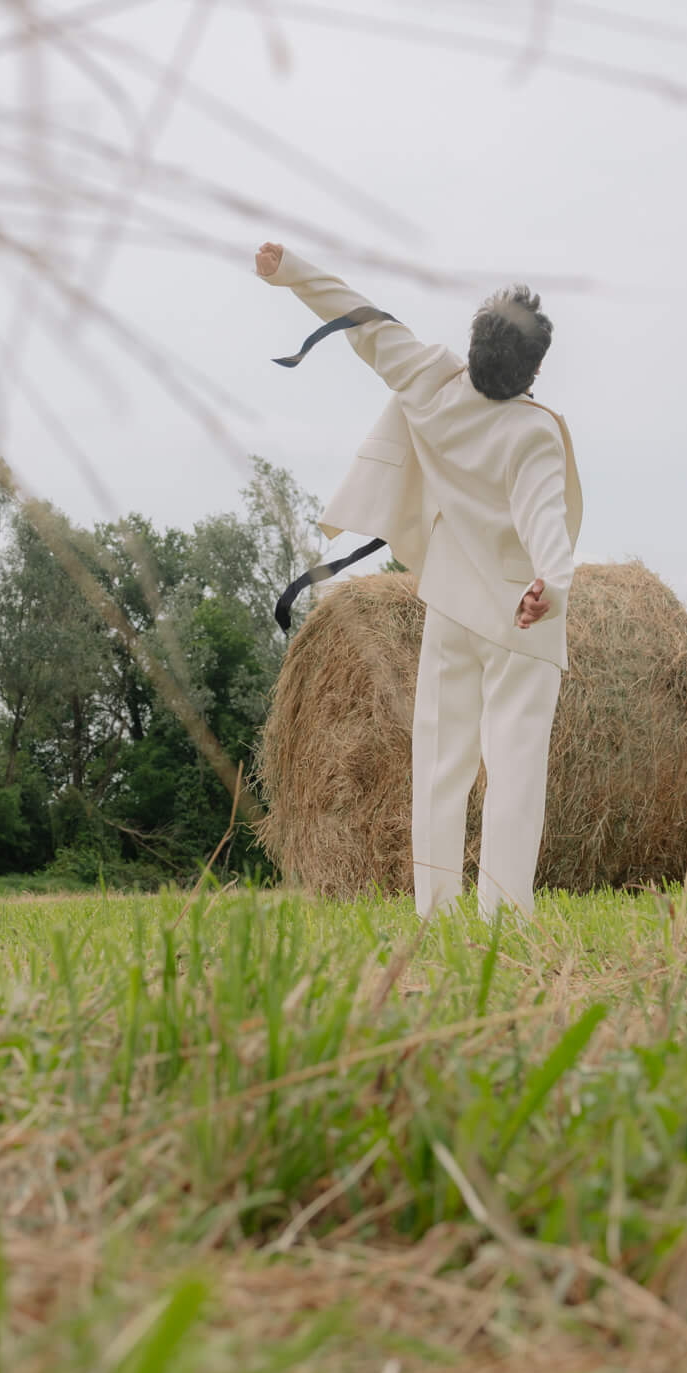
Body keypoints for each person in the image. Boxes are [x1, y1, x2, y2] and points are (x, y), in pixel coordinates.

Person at [256, 240, 581, 920]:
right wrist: (549, 585)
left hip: (452, 609)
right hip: (521, 622)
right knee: (514, 775)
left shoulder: (432, 383)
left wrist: (289, 271)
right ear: (537, 367)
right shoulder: (533, 434)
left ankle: (435, 912)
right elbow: (543, 516)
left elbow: (362, 320)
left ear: (473, 344)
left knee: (440, 766)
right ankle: (503, 921)